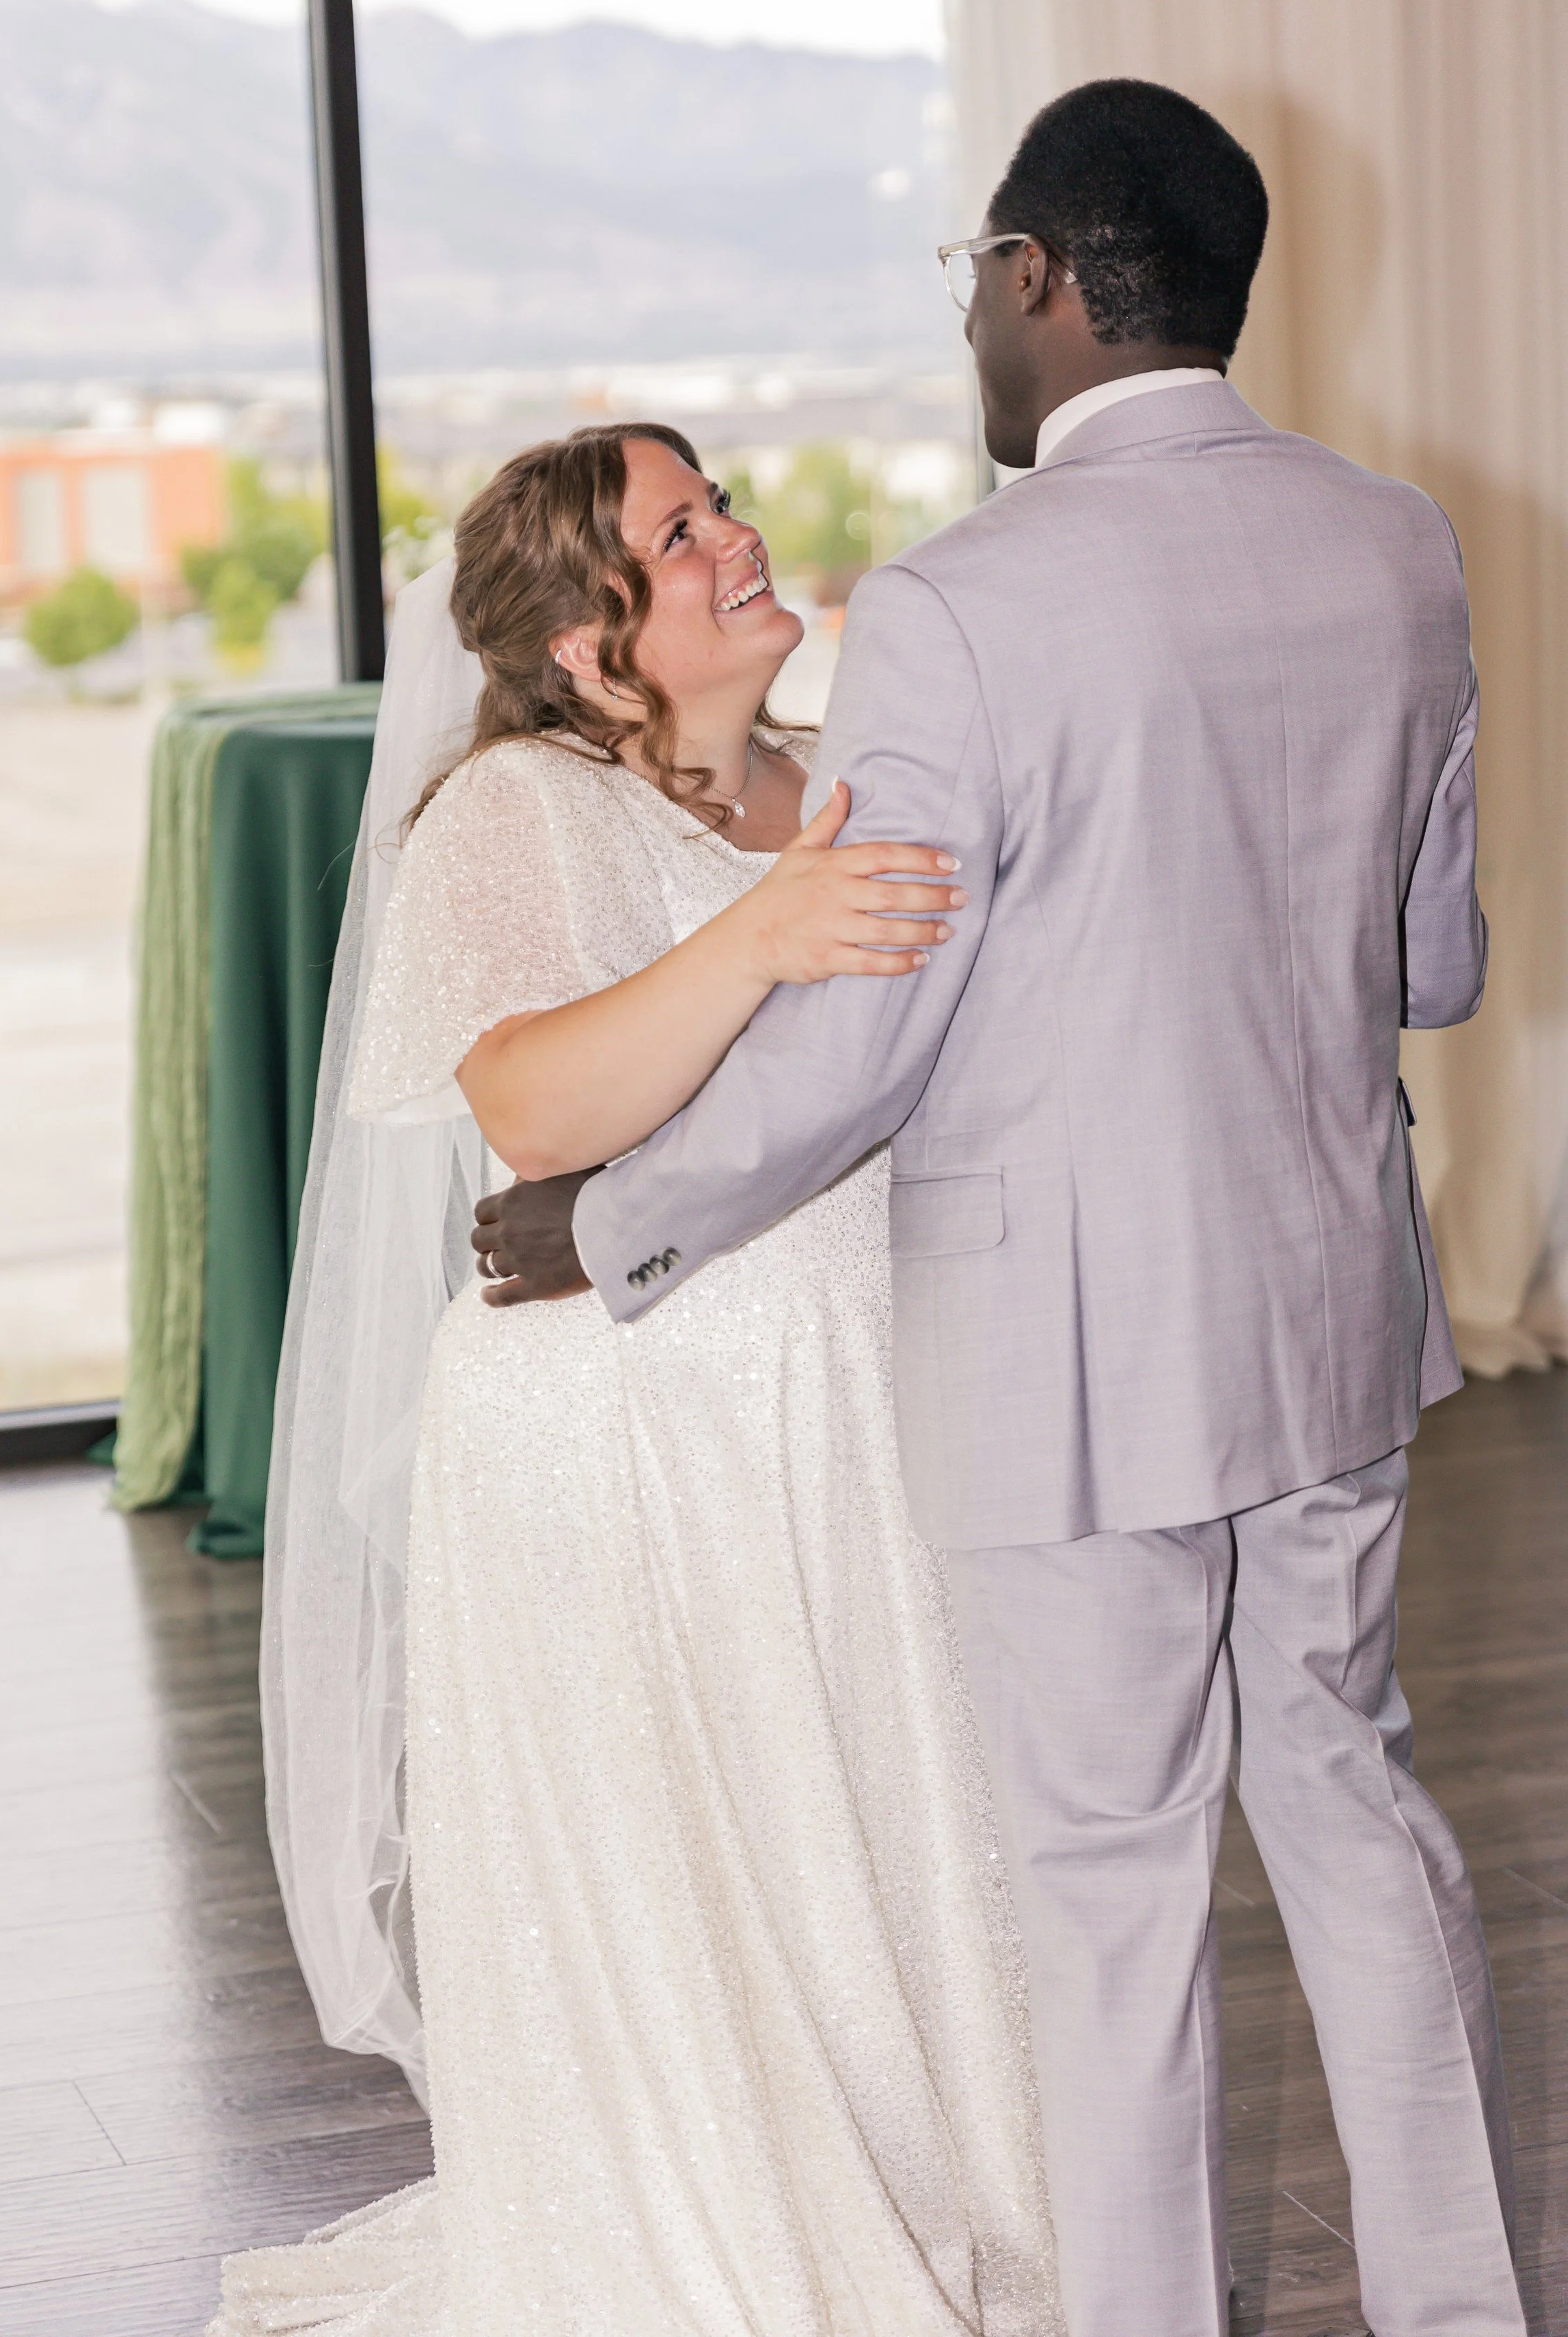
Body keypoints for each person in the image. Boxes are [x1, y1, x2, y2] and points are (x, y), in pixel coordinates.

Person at [478, 82, 1526, 2337]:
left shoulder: (963, 603)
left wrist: (612, 1218)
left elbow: (863, 1043)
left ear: (1039, 277)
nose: (971, 307)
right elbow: (1430, 969)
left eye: (974, 266)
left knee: (1114, 1889)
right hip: (1331, 1306)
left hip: (1070, 1368)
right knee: (1353, 1809)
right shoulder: (1396, 540)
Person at [209, 422, 1066, 2335]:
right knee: (709, 1896)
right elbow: (529, 1097)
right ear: (593, 650)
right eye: (679, 535)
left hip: (854, 1418)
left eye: (717, 503)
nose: (737, 539)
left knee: (874, 1836)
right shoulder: (515, 809)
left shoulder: (844, 777)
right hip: (621, 1440)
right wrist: (757, 935)